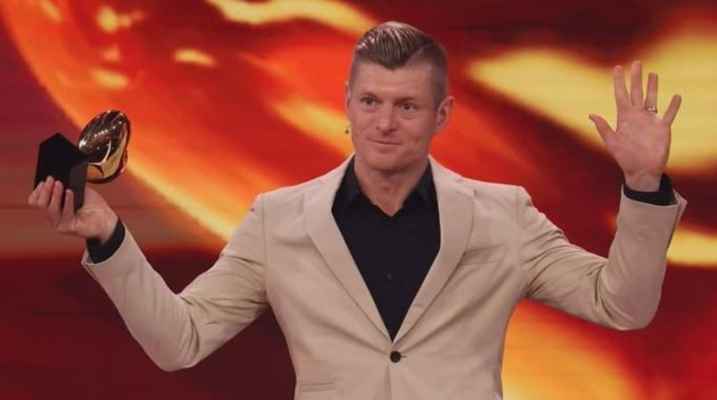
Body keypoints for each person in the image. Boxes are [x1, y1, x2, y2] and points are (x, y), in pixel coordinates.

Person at [28, 21, 686, 400]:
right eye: (370, 102)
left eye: (407, 106)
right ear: (345, 104)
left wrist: (641, 185)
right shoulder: (278, 220)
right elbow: (181, 341)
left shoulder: (502, 216)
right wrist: (108, 238)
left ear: (441, 115)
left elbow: (620, 306)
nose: (385, 123)